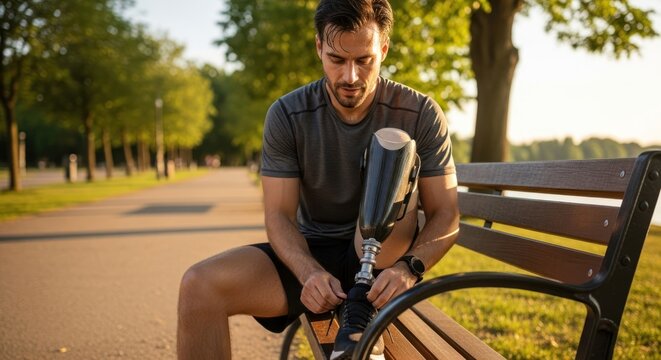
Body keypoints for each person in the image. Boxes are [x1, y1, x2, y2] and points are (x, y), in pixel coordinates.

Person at [176, 0, 460, 359]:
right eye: (337, 59)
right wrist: (308, 272)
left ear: (384, 49)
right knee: (198, 287)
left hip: (385, 260)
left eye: (364, 60)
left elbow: (446, 213)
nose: (350, 77)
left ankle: (363, 323)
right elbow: (278, 215)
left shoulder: (420, 112)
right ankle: (354, 322)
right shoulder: (287, 114)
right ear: (318, 48)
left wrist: (409, 268)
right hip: (315, 257)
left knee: (397, 146)